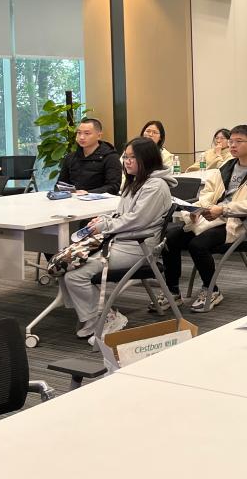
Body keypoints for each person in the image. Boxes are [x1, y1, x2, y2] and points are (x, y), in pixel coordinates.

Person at [62, 138, 175, 342]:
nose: (127, 161)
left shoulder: (155, 186)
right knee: (66, 266)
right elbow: (124, 214)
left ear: (146, 160)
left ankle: (106, 318)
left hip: (138, 247)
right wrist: (104, 220)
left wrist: (105, 226)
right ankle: (95, 318)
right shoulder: (136, 181)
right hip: (122, 241)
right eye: (126, 157)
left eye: (132, 157)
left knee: (75, 276)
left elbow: (136, 220)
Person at [161, 125, 247, 312]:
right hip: (211, 217)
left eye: (238, 141)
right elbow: (208, 192)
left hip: (238, 223)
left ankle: (211, 290)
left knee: (198, 244)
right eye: (231, 141)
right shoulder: (226, 166)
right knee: (170, 239)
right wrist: (199, 208)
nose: (232, 145)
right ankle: (172, 291)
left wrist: (222, 210)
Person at [57, 117, 122, 194]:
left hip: (100, 199)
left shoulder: (110, 157)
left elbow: (113, 186)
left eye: (87, 133)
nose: (81, 137)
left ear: (99, 136)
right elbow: (61, 184)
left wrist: (87, 193)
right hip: (73, 199)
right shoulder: (70, 157)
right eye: (79, 133)